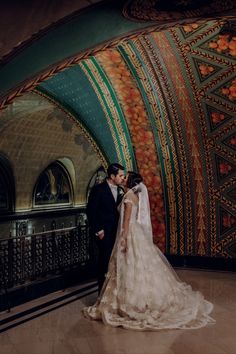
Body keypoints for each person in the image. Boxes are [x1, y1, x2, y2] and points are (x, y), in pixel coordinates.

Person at [83, 171, 215, 330]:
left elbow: (125, 221)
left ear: (129, 181)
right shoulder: (134, 196)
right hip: (135, 233)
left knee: (128, 265)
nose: (123, 179)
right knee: (137, 266)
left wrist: (124, 238)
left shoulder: (128, 197)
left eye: (125, 177)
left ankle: (130, 302)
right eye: (121, 176)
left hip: (129, 233)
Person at [87, 163, 125, 294]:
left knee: (115, 264)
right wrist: (99, 231)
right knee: (104, 264)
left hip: (117, 232)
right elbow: (91, 211)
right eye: (120, 175)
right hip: (104, 233)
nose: (123, 178)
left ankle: (113, 294)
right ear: (112, 176)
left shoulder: (121, 190)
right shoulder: (98, 189)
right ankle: (102, 296)